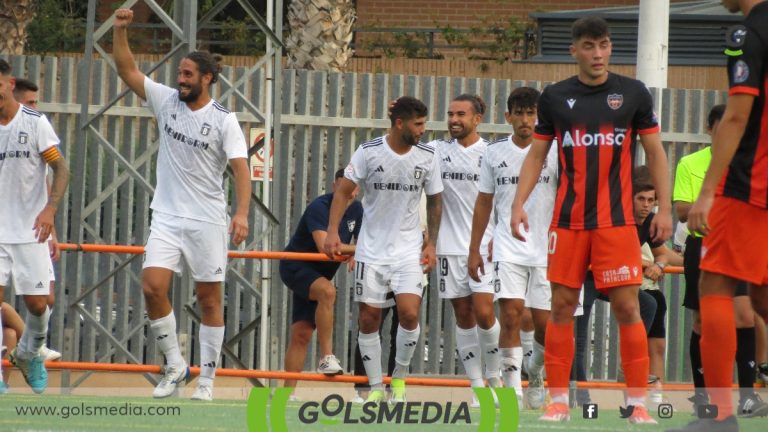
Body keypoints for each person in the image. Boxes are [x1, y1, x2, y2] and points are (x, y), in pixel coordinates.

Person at [510, 17, 672, 424]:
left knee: (628, 307)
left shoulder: (633, 93)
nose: (597, 54)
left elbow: (654, 152)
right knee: (561, 308)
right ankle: (559, 400)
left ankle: (636, 402)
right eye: (589, 46)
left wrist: (665, 209)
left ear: (610, 47)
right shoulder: (555, 96)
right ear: (575, 51)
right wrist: (518, 204)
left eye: (603, 45)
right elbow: (536, 155)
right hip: (567, 222)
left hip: (616, 224)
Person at [111, 8, 252, 401]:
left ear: (207, 78)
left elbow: (242, 170)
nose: (181, 80)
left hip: (207, 220)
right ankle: (175, 365)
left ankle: (206, 380)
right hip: (168, 216)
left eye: (189, 74)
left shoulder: (225, 120)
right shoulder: (166, 100)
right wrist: (121, 30)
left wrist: (240, 213)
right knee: (153, 287)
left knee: (209, 299)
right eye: (180, 73)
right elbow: (127, 71)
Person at [675, 0, 768, 430]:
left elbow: (735, 116)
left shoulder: (748, 34)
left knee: (715, 283)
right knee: (762, 297)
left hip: (751, 182)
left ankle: (720, 416)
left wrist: (708, 191)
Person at [324, 96, 443, 404]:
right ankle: (375, 386)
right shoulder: (368, 152)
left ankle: (399, 381)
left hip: (408, 250)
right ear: (399, 123)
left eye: (424, 124)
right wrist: (333, 232)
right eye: (418, 125)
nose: (422, 130)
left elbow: (435, 200)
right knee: (368, 319)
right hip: (371, 250)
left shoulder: (428, 156)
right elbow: (344, 191)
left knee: (409, 313)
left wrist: (431, 243)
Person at [469, 87, 557, 410]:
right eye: (518, 113)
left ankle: (535, 373)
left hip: (547, 248)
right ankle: (512, 393)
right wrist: (474, 249)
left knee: (547, 326)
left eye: (531, 113)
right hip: (508, 246)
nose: (525, 120)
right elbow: (484, 202)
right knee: (510, 316)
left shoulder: (556, 151)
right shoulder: (493, 153)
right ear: (507, 117)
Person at [0, 59, 70, 395]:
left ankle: (29, 354)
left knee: (39, 303)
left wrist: (50, 210)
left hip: (30, 231)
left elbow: (61, 170)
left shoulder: (35, 123)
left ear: (9, 83)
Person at [432, 94, 498, 404]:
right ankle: (476, 388)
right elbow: (400, 145)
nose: (454, 119)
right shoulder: (436, 151)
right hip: (448, 248)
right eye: (450, 113)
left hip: (485, 248)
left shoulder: (492, 153)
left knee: (485, 313)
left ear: (477, 119)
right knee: (463, 315)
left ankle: (497, 379)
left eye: (461, 114)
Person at [281, 168, 363, 387]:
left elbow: (364, 242)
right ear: (336, 186)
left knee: (301, 334)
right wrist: (355, 250)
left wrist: (356, 251)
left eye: (354, 187)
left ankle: (284, 397)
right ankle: (327, 357)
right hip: (295, 266)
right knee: (328, 291)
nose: (350, 193)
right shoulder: (319, 207)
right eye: (345, 187)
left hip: (320, 273)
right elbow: (326, 246)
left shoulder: (357, 209)